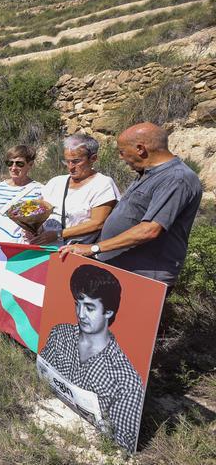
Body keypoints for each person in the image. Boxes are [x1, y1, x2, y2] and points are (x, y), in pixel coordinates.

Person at [59, 122, 202, 291]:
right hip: (122, 269)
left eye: (122, 151)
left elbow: (150, 230)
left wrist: (94, 248)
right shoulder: (147, 173)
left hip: (145, 277)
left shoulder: (176, 178)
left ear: (140, 149)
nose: (121, 157)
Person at [39, 264, 143, 452]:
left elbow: (122, 443)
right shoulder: (60, 334)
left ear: (108, 311)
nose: (80, 314)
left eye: (89, 307)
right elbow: (42, 376)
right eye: (77, 304)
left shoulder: (127, 381)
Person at [31, 134, 120, 246]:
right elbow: (39, 211)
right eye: (67, 161)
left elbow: (98, 223)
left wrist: (58, 234)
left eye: (76, 161)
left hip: (76, 251)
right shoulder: (55, 182)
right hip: (47, 250)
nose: (70, 167)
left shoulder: (102, 184)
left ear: (93, 158)